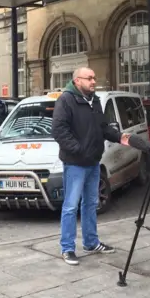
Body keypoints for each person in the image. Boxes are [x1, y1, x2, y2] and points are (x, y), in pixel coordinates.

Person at [51, 67, 131, 266]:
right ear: (77, 81)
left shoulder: (94, 101)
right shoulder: (66, 100)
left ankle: (91, 242)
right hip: (76, 163)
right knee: (70, 206)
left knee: (90, 203)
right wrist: (78, 150)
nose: (94, 81)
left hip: (94, 162)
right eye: (89, 78)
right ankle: (67, 248)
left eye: (94, 78)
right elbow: (59, 130)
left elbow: (102, 127)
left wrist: (120, 137)